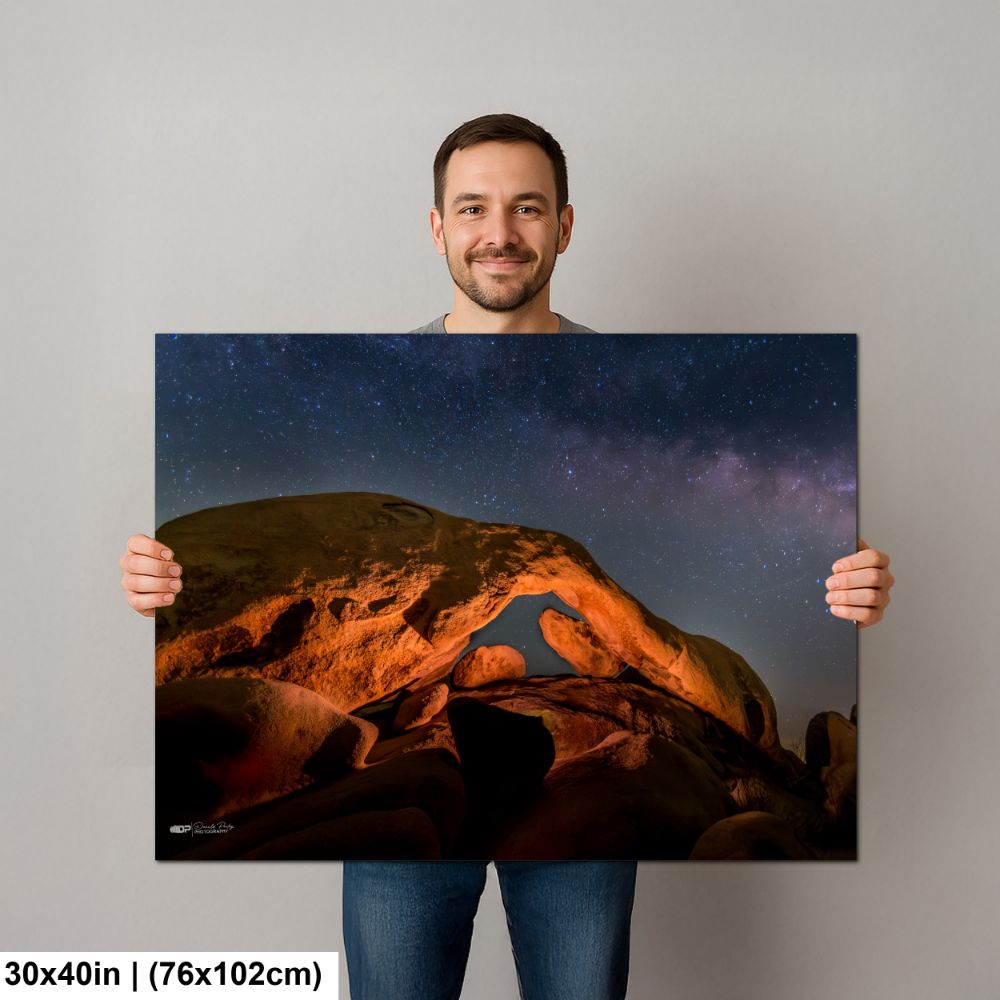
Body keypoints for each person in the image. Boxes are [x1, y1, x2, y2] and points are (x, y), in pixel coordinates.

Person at [120, 114, 894, 1000]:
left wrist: (853, 590)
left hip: (563, 836)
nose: (500, 232)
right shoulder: (388, 372)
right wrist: (155, 583)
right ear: (437, 227)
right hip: (411, 800)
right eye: (473, 207)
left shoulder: (613, 375)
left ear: (564, 225)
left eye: (527, 207)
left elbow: (832, 590)